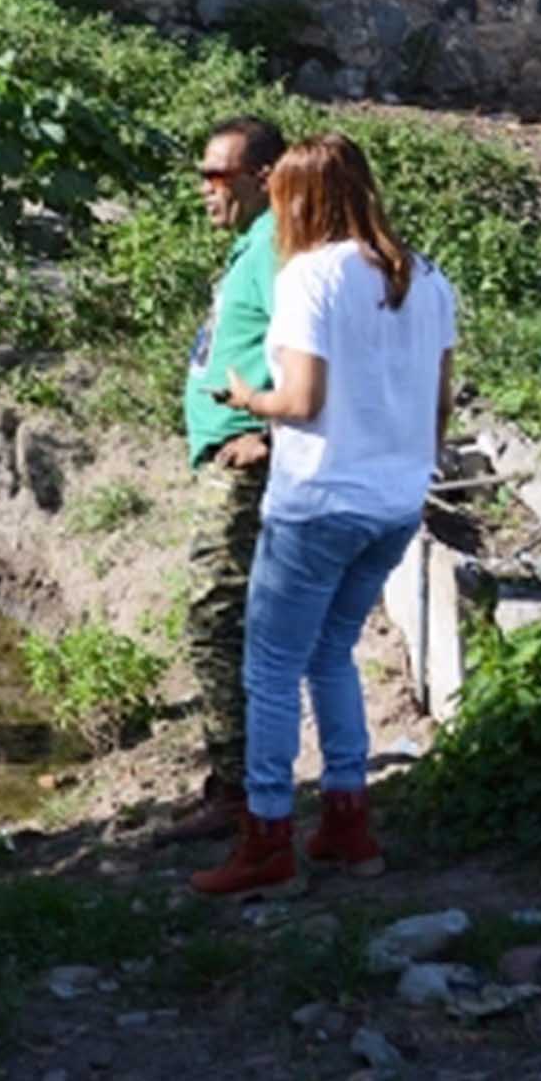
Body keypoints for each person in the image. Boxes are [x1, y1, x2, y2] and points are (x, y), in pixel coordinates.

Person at [192, 134, 457, 899]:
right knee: (330, 653)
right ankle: (348, 823)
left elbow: (301, 402)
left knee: (269, 667)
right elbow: (439, 402)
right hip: (396, 502)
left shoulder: (312, 276)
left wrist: (247, 400)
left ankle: (267, 837)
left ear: (299, 199)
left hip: (318, 501)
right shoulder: (425, 276)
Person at [159, 117, 283, 846]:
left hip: (244, 466)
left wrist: (268, 432)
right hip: (224, 458)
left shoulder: (276, 250)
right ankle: (232, 782)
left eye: (218, 176)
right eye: (201, 175)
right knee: (227, 620)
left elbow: (316, 347)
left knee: (215, 620)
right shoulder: (252, 247)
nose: (205, 191)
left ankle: (236, 790)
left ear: (263, 178)